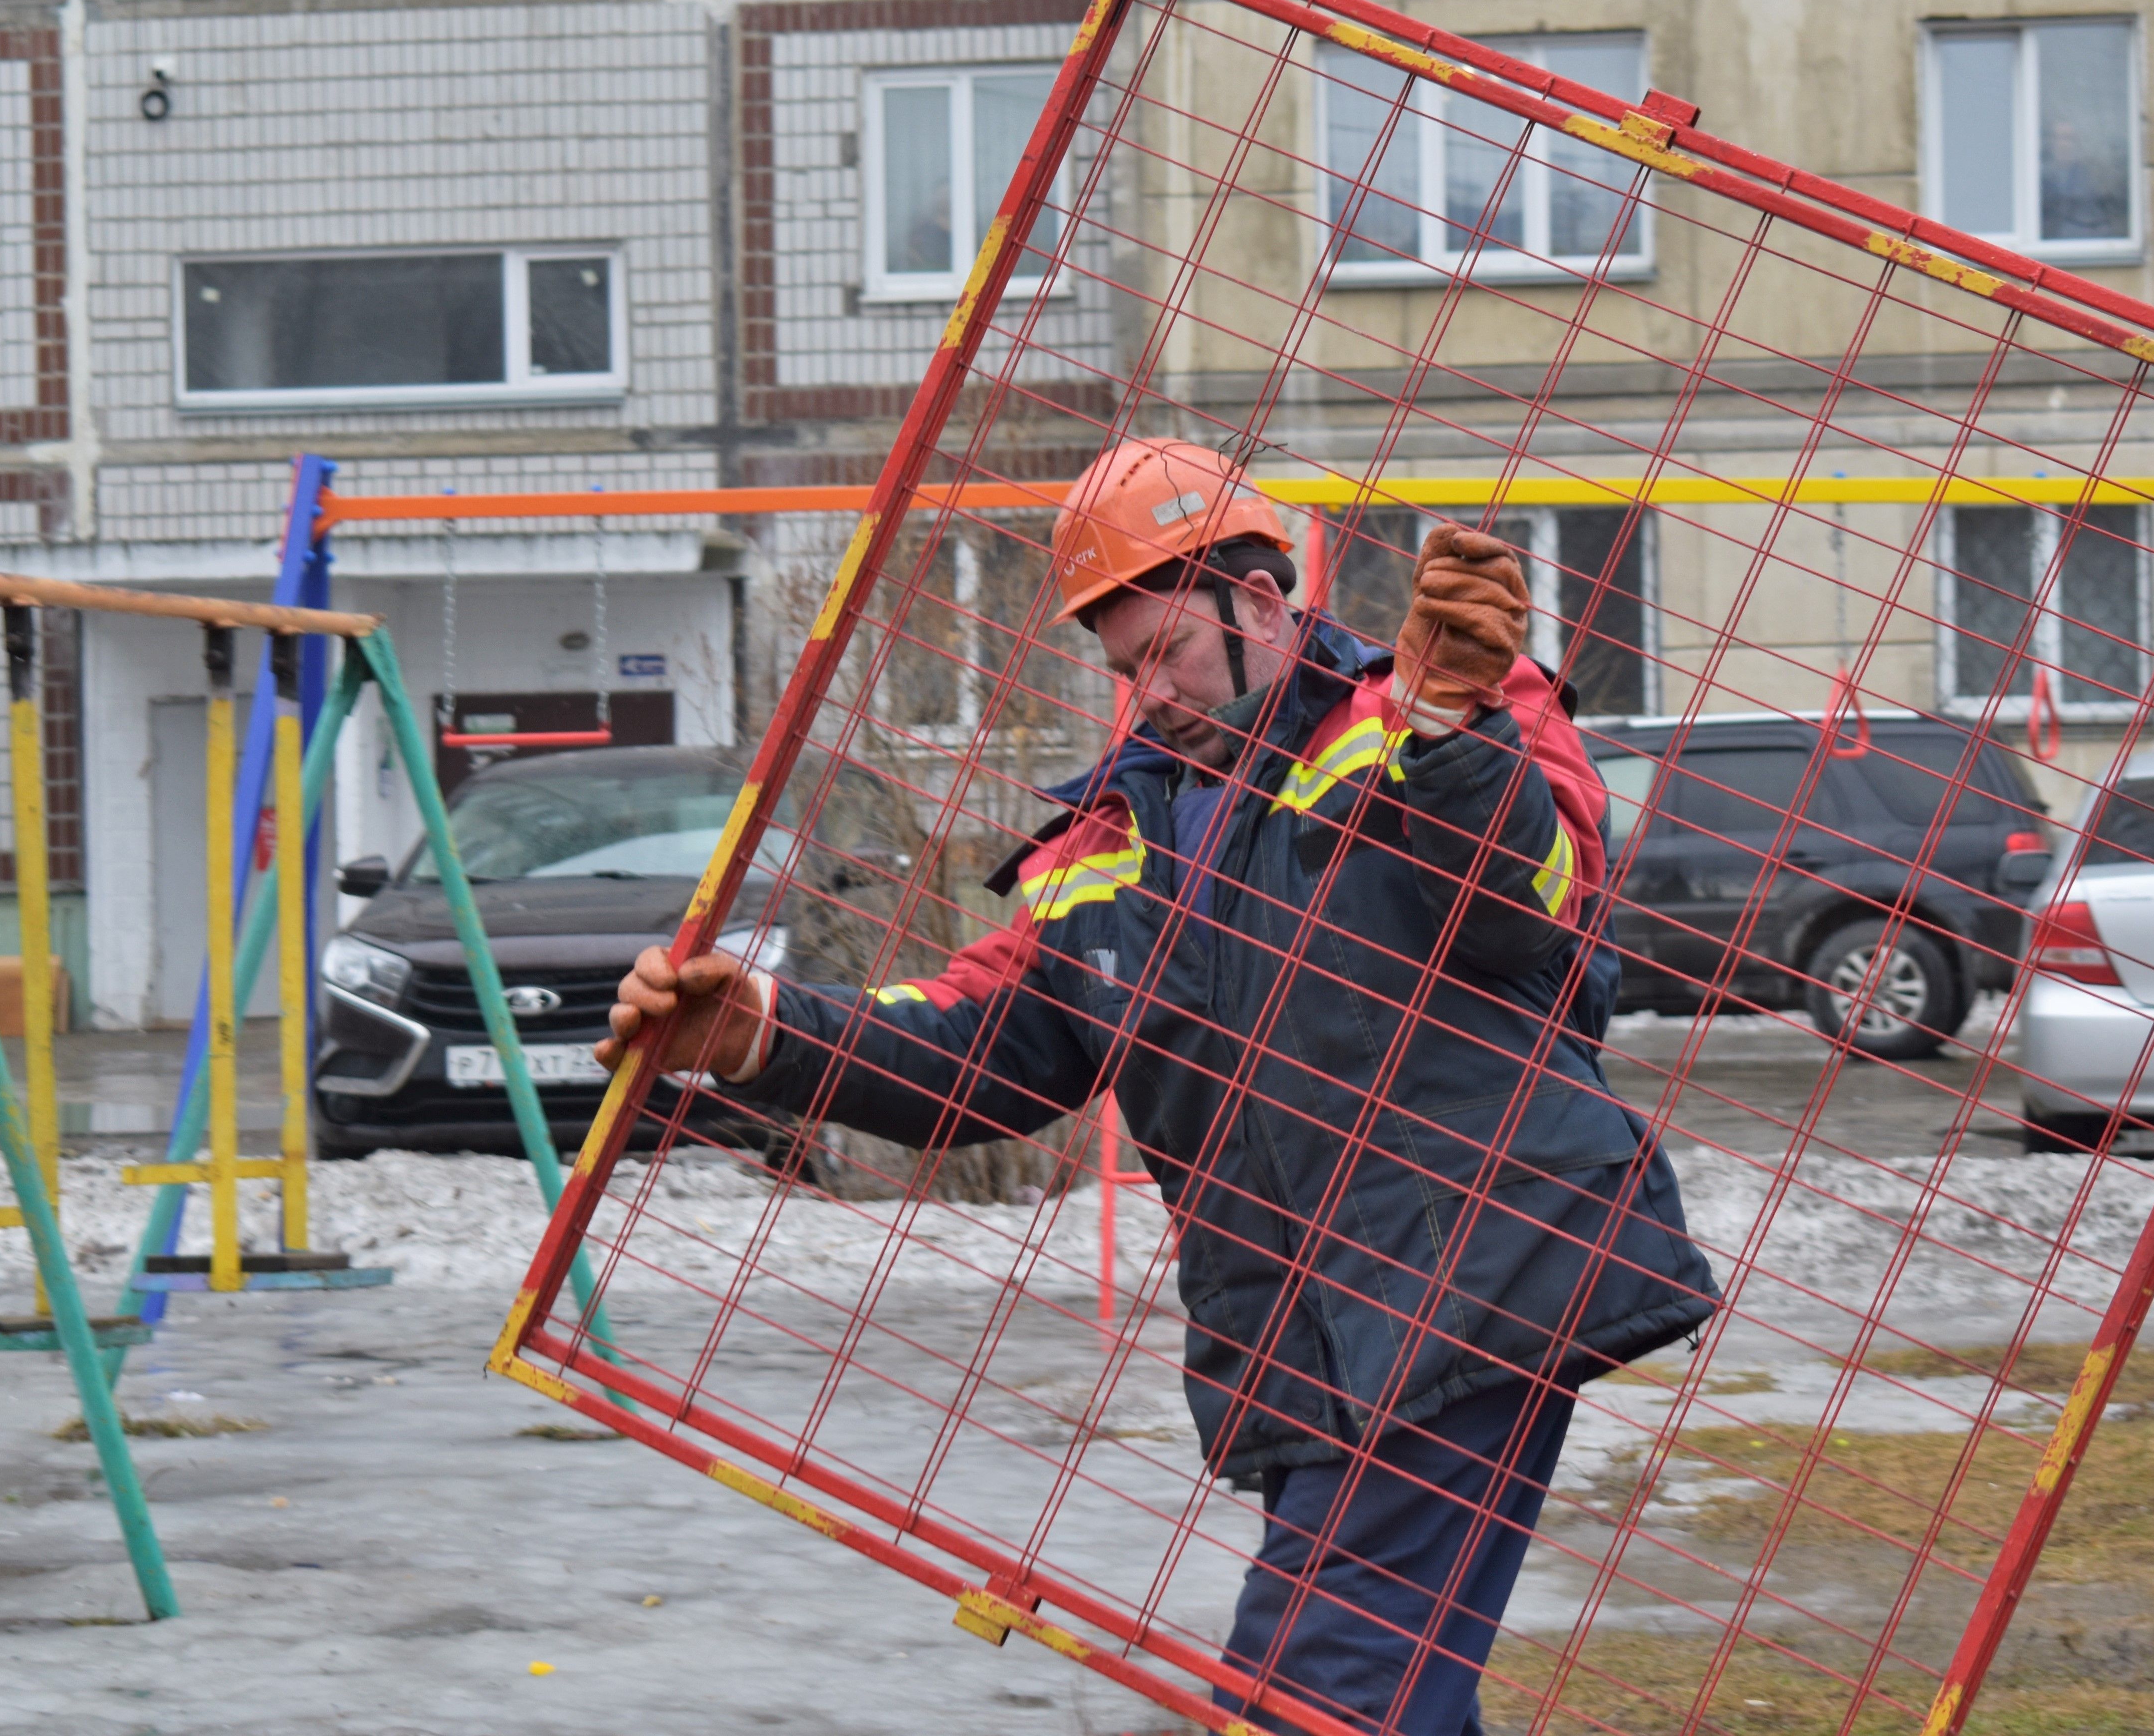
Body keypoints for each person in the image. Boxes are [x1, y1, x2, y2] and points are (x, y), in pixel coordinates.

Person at [597, 439, 1721, 1734]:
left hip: (1473, 1270)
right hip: (1301, 1337)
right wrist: (766, 1033)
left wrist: (1454, 740)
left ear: (1257, 600)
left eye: (1165, 653)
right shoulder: (1111, 839)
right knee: (1377, 1694)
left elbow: (1542, 916)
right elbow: (986, 1048)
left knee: (1317, 1692)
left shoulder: (1425, 712)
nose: (1145, 695)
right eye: (1124, 668)